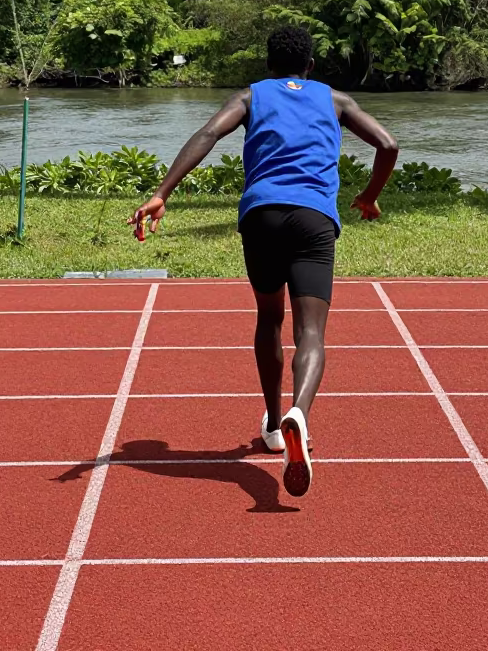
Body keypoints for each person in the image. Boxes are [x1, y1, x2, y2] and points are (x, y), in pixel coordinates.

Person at [130, 25, 399, 498]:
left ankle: (275, 422)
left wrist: (161, 193)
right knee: (310, 331)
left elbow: (209, 133)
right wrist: (370, 196)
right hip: (314, 218)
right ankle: (300, 413)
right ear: (310, 66)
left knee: (269, 318)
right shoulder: (335, 100)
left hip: (260, 217)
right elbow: (388, 144)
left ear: (269, 64)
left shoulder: (251, 96)